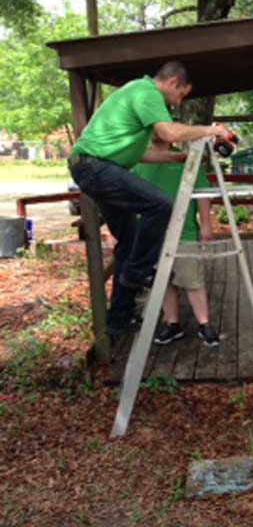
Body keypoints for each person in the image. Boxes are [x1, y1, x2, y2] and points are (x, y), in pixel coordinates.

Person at [68, 61, 230, 340]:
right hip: (96, 168)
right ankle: (139, 272)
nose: (178, 103)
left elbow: (142, 155)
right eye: (181, 95)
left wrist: (178, 157)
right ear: (174, 83)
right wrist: (211, 130)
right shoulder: (147, 92)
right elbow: (169, 133)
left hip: (94, 168)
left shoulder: (136, 94)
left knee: (129, 242)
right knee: (161, 205)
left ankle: (118, 319)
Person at [132, 137, 219, 346]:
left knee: (192, 279)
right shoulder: (138, 160)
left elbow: (202, 194)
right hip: (152, 234)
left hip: (184, 231)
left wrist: (206, 224)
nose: (157, 132)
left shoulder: (186, 159)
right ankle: (172, 323)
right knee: (163, 280)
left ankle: (204, 324)